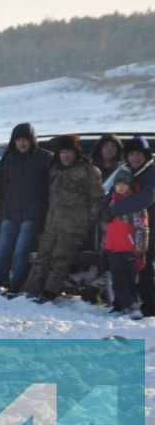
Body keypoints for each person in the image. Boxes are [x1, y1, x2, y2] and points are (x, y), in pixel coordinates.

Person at [23, 135, 104, 303]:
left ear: (76, 153)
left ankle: (49, 292)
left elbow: (98, 199)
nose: (66, 155)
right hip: (53, 223)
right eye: (63, 152)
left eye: (69, 152)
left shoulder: (88, 170)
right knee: (42, 257)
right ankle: (31, 290)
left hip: (74, 226)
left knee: (60, 259)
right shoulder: (54, 169)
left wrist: (87, 221)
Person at [0, 123, 52, 296]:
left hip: (32, 214)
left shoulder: (45, 158)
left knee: (22, 251)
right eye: (18, 140)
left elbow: (52, 186)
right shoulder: (10, 158)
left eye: (25, 140)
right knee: (3, 250)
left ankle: (16, 285)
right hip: (10, 212)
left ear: (32, 141)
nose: (21, 144)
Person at [102, 135, 155, 316]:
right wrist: (104, 209)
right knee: (121, 271)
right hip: (122, 232)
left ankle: (149, 307)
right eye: (131, 153)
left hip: (146, 229)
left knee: (143, 269)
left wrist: (115, 209)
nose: (135, 157)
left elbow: (146, 198)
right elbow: (110, 193)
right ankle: (122, 304)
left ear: (145, 155)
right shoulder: (124, 170)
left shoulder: (152, 172)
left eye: (139, 153)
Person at [101, 170, 148, 319]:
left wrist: (140, 250)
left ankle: (132, 306)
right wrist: (105, 245)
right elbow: (106, 228)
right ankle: (125, 306)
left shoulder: (134, 204)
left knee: (129, 280)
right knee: (118, 280)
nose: (121, 188)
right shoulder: (111, 203)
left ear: (130, 186)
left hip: (129, 249)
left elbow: (142, 228)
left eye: (124, 185)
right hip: (113, 248)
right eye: (118, 184)